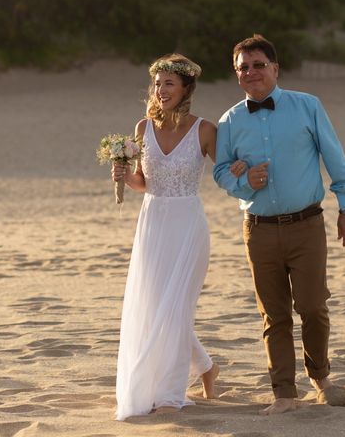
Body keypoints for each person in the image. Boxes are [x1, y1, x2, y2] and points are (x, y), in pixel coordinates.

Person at [213, 34, 345, 415]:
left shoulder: (308, 106)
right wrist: (246, 183)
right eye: (243, 68)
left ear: (275, 68)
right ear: (237, 74)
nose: (251, 73)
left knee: (312, 305)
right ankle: (284, 394)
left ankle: (321, 377)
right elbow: (219, 173)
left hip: (306, 225)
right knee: (273, 313)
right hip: (257, 229)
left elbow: (336, 159)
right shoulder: (229, 121)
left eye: (258, 64)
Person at [112, 53, 245, 420]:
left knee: (176, 310)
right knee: (156, 309)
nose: (160, 90)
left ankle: (171, 392)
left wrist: (238, 168)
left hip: (188, 224)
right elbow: (144, 182)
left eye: (168, 83)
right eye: (157, 83)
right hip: (153, 222)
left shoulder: (204, 130)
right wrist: (125, 175)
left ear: (186, 88)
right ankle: (206, 366)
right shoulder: (142, 129)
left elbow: (225, 173)